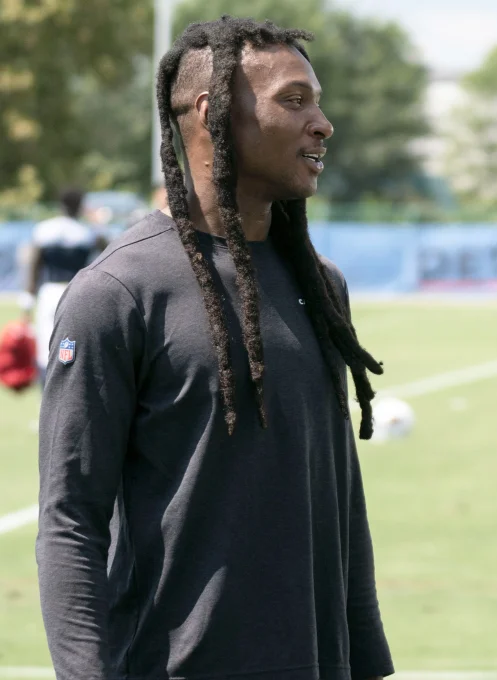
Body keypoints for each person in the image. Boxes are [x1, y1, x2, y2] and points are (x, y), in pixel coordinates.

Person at [36, 17, 392, 680]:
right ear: (214, 111)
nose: (322, 123)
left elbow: (340, 494)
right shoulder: (117, 292)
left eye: (317, 101)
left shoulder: (322, 286)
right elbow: (70, 520)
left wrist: (365, 661)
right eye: (294, 100)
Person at [19, 187, 106, 385]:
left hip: (49, 292)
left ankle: (45, 401)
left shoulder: (45, 229)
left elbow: (35, 265)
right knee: (72, 347)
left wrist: (27, 300)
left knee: (45, 350)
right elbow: (107, 249)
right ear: (80, 207)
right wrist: (98, 223)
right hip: (76, 291)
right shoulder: (86, 232)